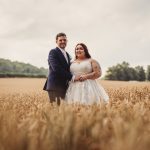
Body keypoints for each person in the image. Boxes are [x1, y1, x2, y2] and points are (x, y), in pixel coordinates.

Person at [43, 33, 80, 105]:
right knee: (55, 110)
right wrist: (72, 77)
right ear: (56, 41)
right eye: (60, 40)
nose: (63, 41)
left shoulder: (68, 54)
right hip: (55, 86)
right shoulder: (53, 52)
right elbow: (56, 68)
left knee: (62, 111)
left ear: (67, 41)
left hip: (65, 87)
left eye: (64, 40)